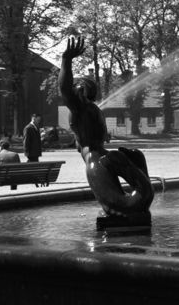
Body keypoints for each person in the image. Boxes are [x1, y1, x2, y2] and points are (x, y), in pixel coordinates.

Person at [60, 34, 155, 220]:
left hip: (98, 162)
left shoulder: (84, 108)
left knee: (125, 203)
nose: (73, 88)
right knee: (133, 201)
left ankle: (136, 166)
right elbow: (66, 90)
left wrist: (66, 60)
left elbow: (64, 90)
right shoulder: (89, 110)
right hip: (99, 161)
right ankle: (137, 167)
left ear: (83, 90)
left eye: (76, 85)